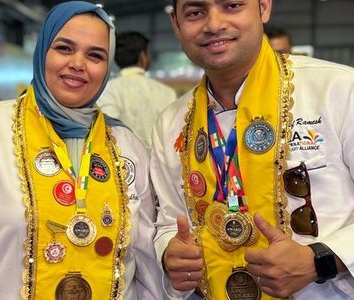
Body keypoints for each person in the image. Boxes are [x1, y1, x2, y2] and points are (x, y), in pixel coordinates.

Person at [0, 1, 162, 299]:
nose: (78, 63)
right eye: (64, 48)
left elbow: (146, 268)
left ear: (107, 67)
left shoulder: (127, 146)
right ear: (42, 51)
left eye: (95, 55)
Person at [152, 0, 354, 299]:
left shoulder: (337, 89)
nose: (214, 24)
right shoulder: (172, 122)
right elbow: (170, 219)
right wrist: (170, 251)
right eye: (195, 12)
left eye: (232, 6)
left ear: (263, 8)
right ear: (177, 25)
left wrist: (321, 260)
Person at [98, 31, 177, 149]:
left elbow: (109, 133)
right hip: (162, 164)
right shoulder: (166, 92)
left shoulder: (107, 91)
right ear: (143, 57)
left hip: (123, 164)